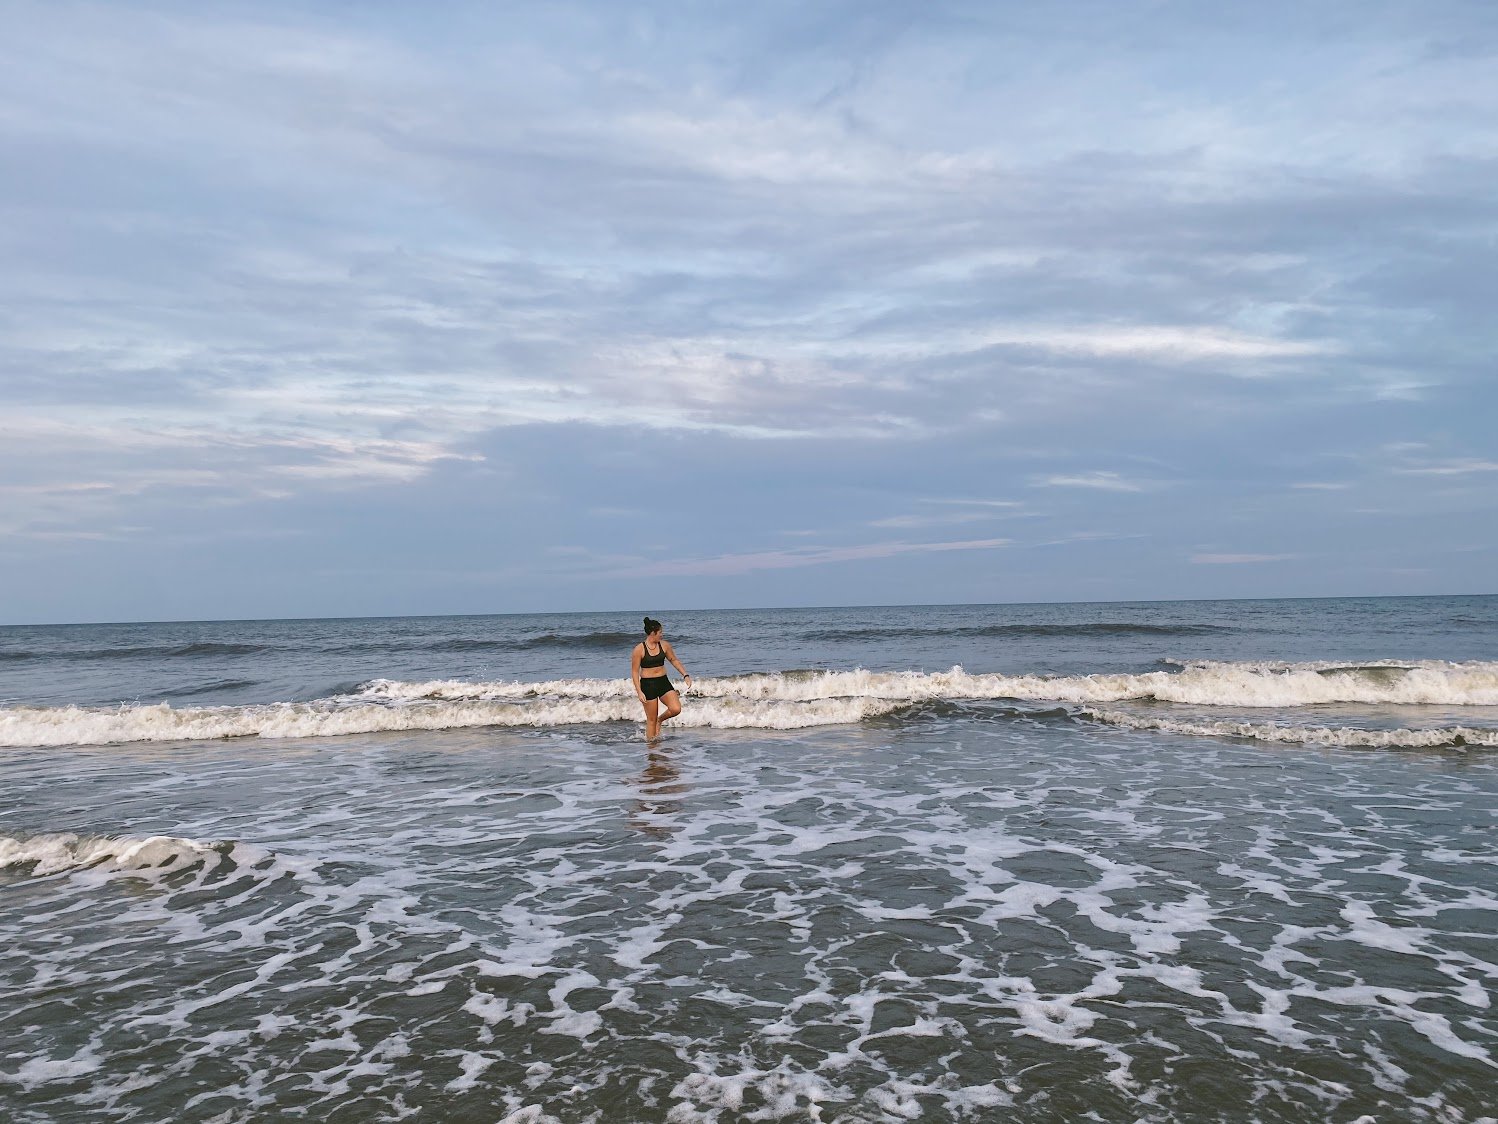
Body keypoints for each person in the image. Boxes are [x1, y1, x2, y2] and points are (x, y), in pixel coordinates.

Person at [631, 616, 692, 739]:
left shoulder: (664, 645)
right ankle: (652, 751)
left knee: (676, 708)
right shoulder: (639, 649)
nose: (662, 635)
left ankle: (661, 720)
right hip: (648, 685)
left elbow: (673, 660)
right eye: (660, 632)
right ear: (653, 633)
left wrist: (685, 675)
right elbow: (634, 671)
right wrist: (639, 691)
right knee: (651, 720)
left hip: (663, 682)